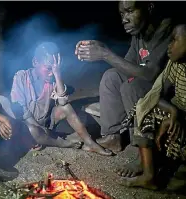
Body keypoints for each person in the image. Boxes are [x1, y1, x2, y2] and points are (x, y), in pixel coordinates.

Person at [75, 1, 175, 153]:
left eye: (130, 11)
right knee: (111, 77)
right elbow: (127, 65)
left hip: (169, 91)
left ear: (149, 7)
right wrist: (101, 49)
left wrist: (105, 54)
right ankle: (113, 137)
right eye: (122, 14)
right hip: (150, 86)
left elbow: (150, 73)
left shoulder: (167, 29)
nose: (124, 19)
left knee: (132, 87)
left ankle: (142, 149)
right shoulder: (140, 33)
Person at [11, 42, 112, 156]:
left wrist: (57, 74)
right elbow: (22, 111)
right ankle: (66, 142)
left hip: (46, 124)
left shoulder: (52, 81)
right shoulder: (22, 77)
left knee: (66, 108)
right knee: (32, 130)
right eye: (48, 68)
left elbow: (63, 102)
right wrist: (40, 130)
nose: (51, 73)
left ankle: (89, 143)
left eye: (54, 69)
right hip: (27, 126)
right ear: (35, 62)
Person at [118, 24, 186, 190]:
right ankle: (148, 174)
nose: (169, 46)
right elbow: (156, 93)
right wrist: (172, 112)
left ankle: (182, 171)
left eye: (174, 41)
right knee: (144, 108)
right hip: (178, 110)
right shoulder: (174, 65)